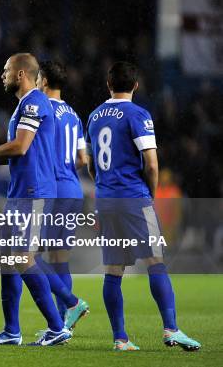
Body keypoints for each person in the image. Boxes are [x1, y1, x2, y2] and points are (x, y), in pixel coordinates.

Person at [0, 53, 72, 346]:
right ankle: (11, 330)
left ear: (21, 74)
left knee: (22, 257)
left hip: (34, 192)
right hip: (21, 191)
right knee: (9, 260)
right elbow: (25, 153)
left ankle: (57, 327)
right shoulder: (24, 105)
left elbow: (21, 147)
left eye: (7, 70)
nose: (2, 74)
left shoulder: (34, 102)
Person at [85, 61, 200, 351]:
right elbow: (151, 162)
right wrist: (149, 194)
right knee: (156, 261)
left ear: (108, 85)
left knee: (113, 270)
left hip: (106, 198)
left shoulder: (95, 116)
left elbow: (89, 164)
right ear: (136, 85)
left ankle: (120, 339)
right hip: (134, 197)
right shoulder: (138, 114)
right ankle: (171, 329)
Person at [35, 61, 89, 329]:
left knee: (29, 254)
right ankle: (64, 323)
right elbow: (82, 158)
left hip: (52, 189)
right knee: (59, 257)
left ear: (43, 81)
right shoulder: (74, 114)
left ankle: (69, 304)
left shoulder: (42, 110)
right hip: (73, 189)